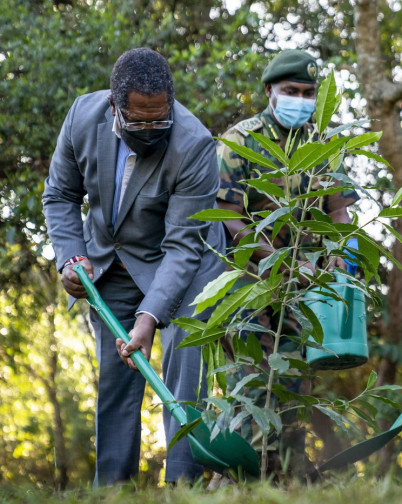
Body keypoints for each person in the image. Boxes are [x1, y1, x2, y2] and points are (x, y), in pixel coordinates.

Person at [42, 48, 226, 485]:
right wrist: (71, 258)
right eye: (137, 120)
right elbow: (60, 196)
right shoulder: (82, 117)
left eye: (158, 120)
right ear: (114, 105)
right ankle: (112, 490)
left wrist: (149, 317)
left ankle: (183, 485)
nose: (149, 129)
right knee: (116, 378)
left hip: (186, 263)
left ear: (171, 104)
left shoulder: (195, 144)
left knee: (185, 367)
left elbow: (183, 245)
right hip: (111, 259)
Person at [215, 49, 359, 477]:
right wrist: (279, 262)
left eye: (308, 92)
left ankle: (287, 482)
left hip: (305, 291)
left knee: (295, 389)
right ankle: (244, 479)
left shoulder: (325, 145)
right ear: (269, 91)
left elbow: (339, 211)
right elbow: (231, 219)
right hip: (250, 288)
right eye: (290, 91)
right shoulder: (240, 141)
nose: (301, 98)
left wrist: (340, 253)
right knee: (254, 388)